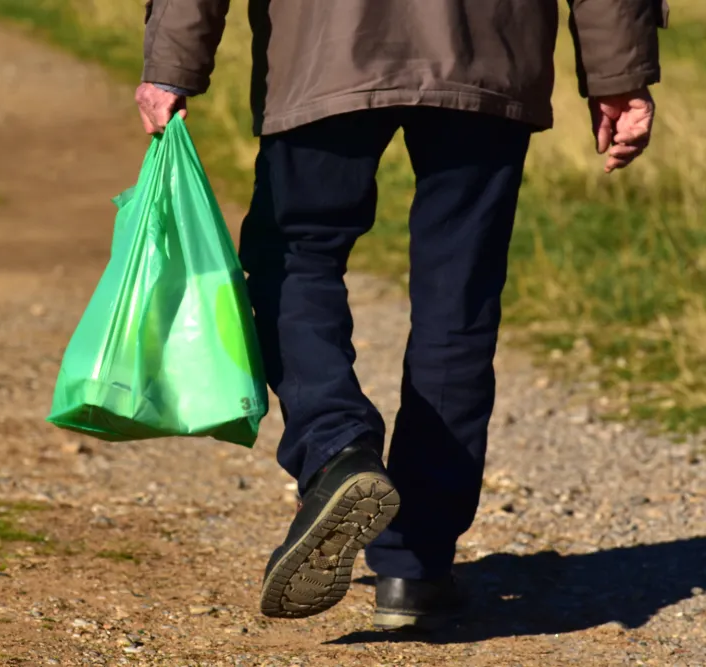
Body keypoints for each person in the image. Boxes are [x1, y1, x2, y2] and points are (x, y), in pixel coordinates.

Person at [135, 0, 667, 630]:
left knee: (295, 255)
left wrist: (171, 62)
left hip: (323, 46)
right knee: (458, 298)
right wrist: (619, 73)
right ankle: (415, 566)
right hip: (488, 48)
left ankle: (336, 449)